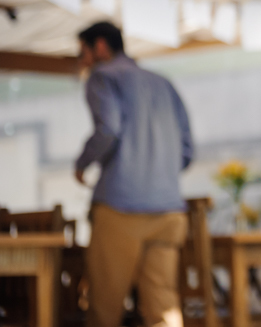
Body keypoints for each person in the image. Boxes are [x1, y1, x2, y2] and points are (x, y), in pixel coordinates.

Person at [74, 21, 193, 327]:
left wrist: (82, 162)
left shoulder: (102, 76)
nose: (81, 61)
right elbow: (187, 149)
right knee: (162, 307)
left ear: (100, 46)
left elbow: (108, 128)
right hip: (168, 209)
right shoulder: (162, 82)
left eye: (82, 52)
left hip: (121, 207)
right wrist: (159, 174)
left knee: (105, 305)